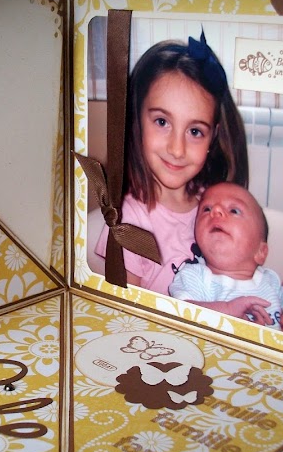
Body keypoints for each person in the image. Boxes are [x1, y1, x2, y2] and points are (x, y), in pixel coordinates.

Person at [94, 30, 248, 296]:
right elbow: (124, 310)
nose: (177, 149)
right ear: (136, 120)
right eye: (162, 122)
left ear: (213, 136)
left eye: (195, 131)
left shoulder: (214, 206)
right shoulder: (130, 223)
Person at [169, 182, 283, 335]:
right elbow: (180, 314)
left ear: (261, 252)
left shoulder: (270, 282)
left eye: (234, 211)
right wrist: (227, 310)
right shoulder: (194, 277)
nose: (216, 210)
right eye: (206, 209)